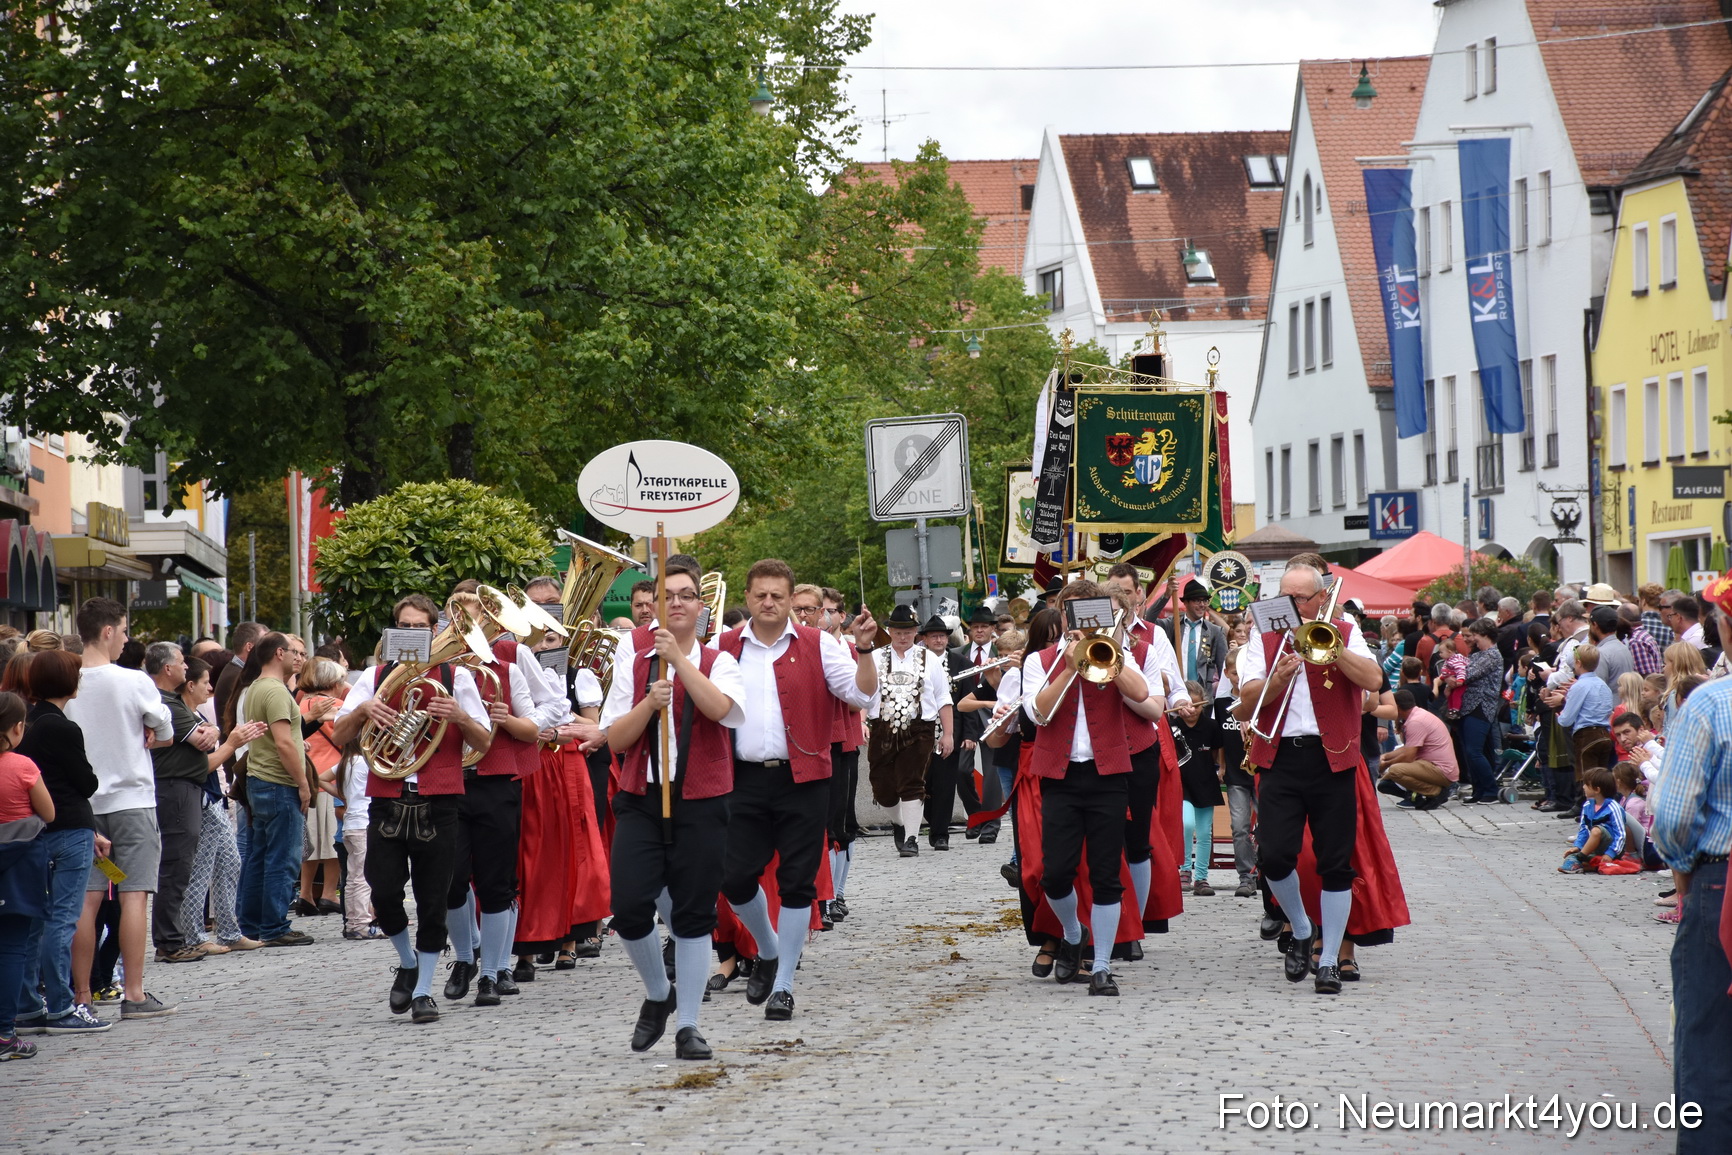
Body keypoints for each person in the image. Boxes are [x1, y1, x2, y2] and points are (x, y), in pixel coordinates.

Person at [713, 559, 877, 1021]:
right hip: (741, 778)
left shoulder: (820, 644)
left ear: (790, 601)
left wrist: (863, 652)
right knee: (734, 877)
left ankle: (783, 983)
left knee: (797, 884)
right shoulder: (723, 647)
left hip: (804, 778)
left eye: (777, 596)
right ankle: (766, 949)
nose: (768, 603)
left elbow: (862, 697)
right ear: (747, 598)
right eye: (760, 595)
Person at [599, 558, 745, 1060]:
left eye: (686, 595)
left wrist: (681, 663)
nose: (677, 603)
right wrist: (648, 703)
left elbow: (721, 710)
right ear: (655, 607)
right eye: (668, 597)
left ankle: (688, 1026)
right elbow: (613, 737)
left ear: (700, 607)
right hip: (642, 797)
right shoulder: (633, 659)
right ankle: (659, 993)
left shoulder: (720, 658)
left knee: (693, 915)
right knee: (630, 905)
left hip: (702, 801)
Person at [329, 593, 493, 1023]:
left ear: (434, 630)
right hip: (387, 798)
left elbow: (484, 742)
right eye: (406, 626)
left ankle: (423, 990)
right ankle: (406, 961)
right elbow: (339, 733)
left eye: (422, 627)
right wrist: (364, 708)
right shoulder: (374, 676)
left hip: (439, 800)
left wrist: (458, 716)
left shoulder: (457, 678)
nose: (414, 633)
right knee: (383, 893)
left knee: (433, 899)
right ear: (394, 630)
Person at [1235, 563, 1385, 995]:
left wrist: (1332, 648)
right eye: (1286, 596)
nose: (1293, 606)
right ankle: (1301, 927)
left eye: (1302, 598)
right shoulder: (1261, 639)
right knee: (1277, 856)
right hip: (1280, 758)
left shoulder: (1344, 628)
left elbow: (1374, 682)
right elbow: (1245, 708)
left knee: (1336, 864)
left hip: (1332, 758)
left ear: (1321, 599)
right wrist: (1276, 681)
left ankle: (1331, 960)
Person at [1023, 579, 1152, 996]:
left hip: (1109, 775)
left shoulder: (1118, 652)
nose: (1080, 620)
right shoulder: (1041, 660)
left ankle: (1100, 967)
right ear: (1063, 616)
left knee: (1105, 874)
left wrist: (1109, 659)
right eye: (1072, 612)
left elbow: (1142, 694)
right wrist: (1067, 664)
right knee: (1055, 874)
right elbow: (1039, 712)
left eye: (1089, 612)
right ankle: (1073, 932)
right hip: (1060, 776)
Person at [439, 589, 567, 1007]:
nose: (463, 619)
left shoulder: (512, 655)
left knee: (497, 881)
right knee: (450, 880)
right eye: (454, 612)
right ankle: (466, 956)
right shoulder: (435, 660)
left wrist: (516, 723)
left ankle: (492, 973)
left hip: (496, 778)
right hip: (447, 779)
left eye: (470, 610)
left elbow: (554, 706)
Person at [63, 598, 175, 1021]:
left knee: (86, 901)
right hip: (132, 800)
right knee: (133, 897)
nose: (126, 639)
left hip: (83, 807)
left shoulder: (66, 679)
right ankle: (134, 993)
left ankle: (82, 995)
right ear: (107, 631)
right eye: (124, 630)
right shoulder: (133, 680)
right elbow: (164, 729)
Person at [1648, 586, 1732, 1153]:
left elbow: (1674, 814)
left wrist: (1681, 868)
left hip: (1722, 881)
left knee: (1708, 1031)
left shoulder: (1710, 702)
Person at [13, 651, 111, 1036]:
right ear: (70, 684)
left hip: (33, 829)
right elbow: (87, 783)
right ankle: (61, 1005)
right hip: (70, 826)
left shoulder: (26, 723)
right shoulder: (63, 727)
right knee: (62, 918)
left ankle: (28, 1003)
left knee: (34, 920)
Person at [227, 633, 317, 949]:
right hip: (279, 783)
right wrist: (303, 784)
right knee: (283, 858)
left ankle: (252, 925)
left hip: (259, 780)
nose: (299, 657)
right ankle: (276, 926)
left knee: (259, 857)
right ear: (279, 653)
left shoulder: (254, 689)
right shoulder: (276, 691)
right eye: (294, 651)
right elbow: (283, 743)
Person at [174, 656, 264, 954]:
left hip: (211, 797)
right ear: (190, 685)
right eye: (204, 682)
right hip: (201, 796)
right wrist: (232, 742)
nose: (210, 688)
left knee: (229, 860)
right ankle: (195, 935)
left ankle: (228, 930)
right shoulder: (183, 716)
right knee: (200, 868)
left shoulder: (195, 715)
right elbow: (204, 765)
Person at [145, 643, 222, 962]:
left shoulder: (174, 701)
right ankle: (169, 940)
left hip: (184, 787)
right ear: (167, 669)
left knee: (181, 862)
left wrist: (213, 731)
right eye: (181, 663)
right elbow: (202, 738)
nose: (186, 668)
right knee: (176, 863)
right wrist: (217, 735)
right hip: (174, 788)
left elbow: (208, 731)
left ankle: (172, 937)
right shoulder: (164, 701)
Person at [865, 604, 953, 858]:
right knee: (882, 787)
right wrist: (861, 722)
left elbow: (943, 698)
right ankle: (900, 822)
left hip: (919, 729)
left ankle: (912, 838)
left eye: (909, 631)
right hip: (882, 728)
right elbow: (864, 693)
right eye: (898, 631)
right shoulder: (874, 657)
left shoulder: (930, 659)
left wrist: (947, 733)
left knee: (912, 782)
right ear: (889, 631)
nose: (903, 637)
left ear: (916, 632)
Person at [0, 691, 52, 1061]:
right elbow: (48, 813)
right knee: (13, 948)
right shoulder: (22, 766)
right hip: (19, 865)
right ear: (17, 728)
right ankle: (5, 1032)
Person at [293, 654, 347, 918]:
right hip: (330, 779)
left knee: (310, 843)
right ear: (334, 682)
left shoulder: (301, 704)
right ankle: (328, 893)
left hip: (307, 779)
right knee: (332, 844)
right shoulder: (337, 705)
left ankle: (305, 894)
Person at [1173, 679, 1223, 895]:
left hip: (1205, 783)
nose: (1192, 710)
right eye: (1187, 705)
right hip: (1181, 785)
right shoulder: (1173, 726)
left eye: (1197, 705)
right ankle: (1185, 869)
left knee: (1204, 833)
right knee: (1186, 824)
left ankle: (1201, 877)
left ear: (1204, 704)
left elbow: (1217, 752)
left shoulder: (1210, 726)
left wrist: (1221, 770)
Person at [1377, 689, 1459, 808]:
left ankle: (1434, 791)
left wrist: (1386, 764)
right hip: (1434, 766)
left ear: (1398, 707)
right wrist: (1385, 756)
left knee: (1395, 770)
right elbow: (1408, 748)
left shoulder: (1415, 722)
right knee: (1386, 783)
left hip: (1440, 770)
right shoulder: (1418, 715)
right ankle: (1416, 796)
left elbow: (1408, 756)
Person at [1455, 620, 1504, 804]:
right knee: (1472, 752)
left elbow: (1466, 674)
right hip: (1469, 708)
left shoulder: (1492, 655)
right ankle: (1479, 791)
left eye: (1475, 634)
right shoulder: (1479, 654)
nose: (1472, 638)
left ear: (1485, 634)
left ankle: (1490, 790)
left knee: (1473, 751)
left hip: (1481, 708)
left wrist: (1455, 675)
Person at [1558, 767, 1628, 872]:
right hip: (1594, 849)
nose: (1583, 787)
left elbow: (1621, 834)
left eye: (1586, 784)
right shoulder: (1587, 805)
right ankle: (1587, 864)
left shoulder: (1614, 807)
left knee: (1596, 830)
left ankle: (1579, 858)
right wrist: (1578, 846)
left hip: (1611, 848)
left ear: (1597, 789)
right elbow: (1584, 829)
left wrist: (1610, 853)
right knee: (1572, 856)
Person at [1175, 579, 1227, 688]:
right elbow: (1150, 618)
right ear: (1185, 602)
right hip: (1177, 695)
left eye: (1205, 601)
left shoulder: (1215, 632)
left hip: (1204, 698)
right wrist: (1165, 595)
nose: (1202, 605)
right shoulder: (1173, 625)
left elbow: (1224, 668)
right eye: (1197, 601)